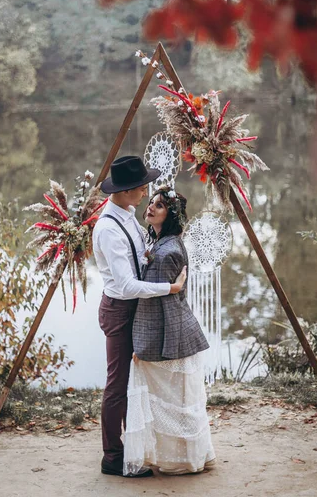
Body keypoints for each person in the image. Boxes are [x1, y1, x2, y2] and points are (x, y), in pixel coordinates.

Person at [93, 156, 187, 479]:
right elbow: (127, 284)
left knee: (133, 383)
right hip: (120, 310)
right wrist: (170, 287)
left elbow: (143, 251)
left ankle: (132, 448)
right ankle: (112, 457)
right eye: (143, 185)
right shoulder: (108, 229)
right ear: (126, 190)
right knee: (117, 385)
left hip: (133, 309)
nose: (147, 190)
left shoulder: (128, 215)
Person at [123, 187, 216, 476]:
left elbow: (158, 306)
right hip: (170, 331)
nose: (150, 207)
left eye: (159, 206)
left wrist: (142, 345)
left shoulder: (167, 251)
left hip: (170, 335)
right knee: (174, 400)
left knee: (175, 402)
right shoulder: (161, 242)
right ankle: (183, 456)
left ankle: (183, 459)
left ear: (170, 215)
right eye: (151, 202)